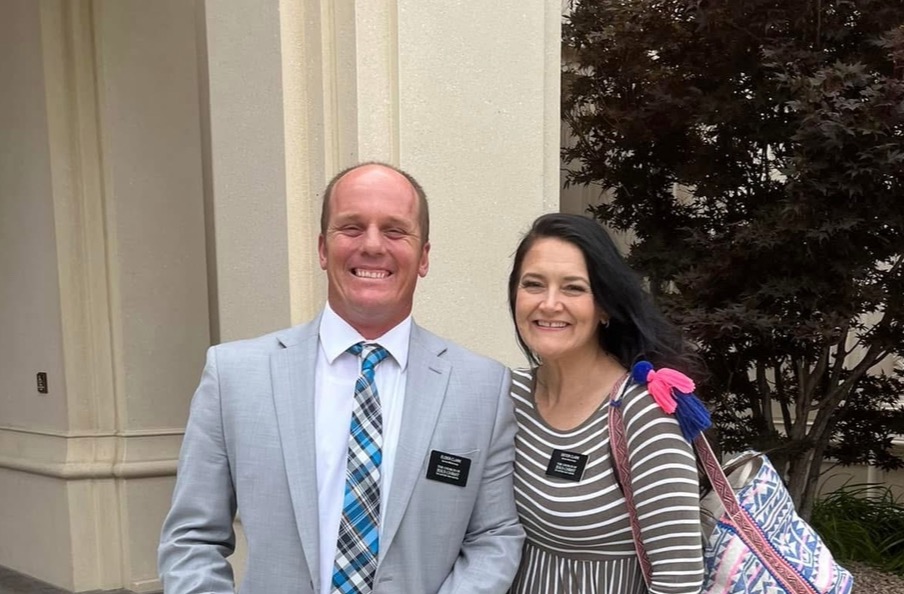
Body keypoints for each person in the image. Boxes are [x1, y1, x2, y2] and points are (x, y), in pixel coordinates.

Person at [158, 162, 524, 594]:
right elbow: (192, 540)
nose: (372, 245)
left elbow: (493, 536)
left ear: (424, 257)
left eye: (395, 231)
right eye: (351, 227)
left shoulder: (483, 387)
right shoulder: (234, 376)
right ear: (322, 248)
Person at [506, 213, 704, 594]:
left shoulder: (643, 415)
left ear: (605, 306)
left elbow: (679, 582)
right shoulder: (509, 397)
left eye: (573, 288)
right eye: (533, 284)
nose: (549, 303)